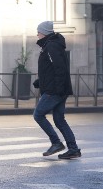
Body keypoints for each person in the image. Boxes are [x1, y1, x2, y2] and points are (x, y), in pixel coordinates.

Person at [33, 21, 80, 159]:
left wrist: (57, 89)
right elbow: (50, 69)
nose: (37, 34)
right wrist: (40, 81)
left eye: (38, 32)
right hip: (58, 88)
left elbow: (60, 68)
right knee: (59, 120)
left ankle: (56, 143)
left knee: (38, 114)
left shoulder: (51, 46)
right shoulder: (51, 44)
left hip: (55, 90)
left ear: (44, 33)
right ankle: (73, 149)